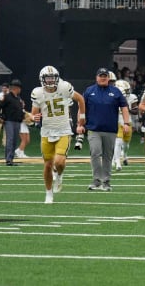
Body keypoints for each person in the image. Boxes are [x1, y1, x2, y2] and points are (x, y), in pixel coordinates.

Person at [31, 66, 86, 203]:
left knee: (59, 162)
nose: (50, 81)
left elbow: (80, 99)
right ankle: (48, 193)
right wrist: (34, 118)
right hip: (47, 131)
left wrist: (82, 116)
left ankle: (59, 175)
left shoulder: (64, 87)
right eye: (47, 79)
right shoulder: (37, 93)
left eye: (52, 78)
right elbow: (34, 113)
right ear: (42, 79)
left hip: (63, 130)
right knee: (48, 165)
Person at [83, 68, 131, 191]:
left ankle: (106, 181)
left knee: (108, 156)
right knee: (95, 152)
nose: (103, 78)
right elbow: (82, 108)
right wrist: (80, 123)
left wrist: (126, 123)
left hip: (110, 129)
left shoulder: (115, 91)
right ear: (96, 77)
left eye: (105, 76)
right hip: (94, 128)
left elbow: (124, 107)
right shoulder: (89, 91)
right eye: (101, 76)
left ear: (108, 78)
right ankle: (96, 180)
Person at [0, 79, 25, 166]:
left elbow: (19, 109)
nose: (20, 90)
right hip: (9, 121)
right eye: (19, 88)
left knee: (14, 141)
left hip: (17, 122)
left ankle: (11, 159)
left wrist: (22, 116)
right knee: (10, 140)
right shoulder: (7, 97)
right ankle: (8, 159)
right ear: (16, 88)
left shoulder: (18, 98)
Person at [0, 83, 9, 148]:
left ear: (8, 88)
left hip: (7, 114)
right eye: (3, 88)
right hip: (0, 113)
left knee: (6, 129)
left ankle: (4, 143)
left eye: (5, 88)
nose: (4, 89)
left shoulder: (10, 95)